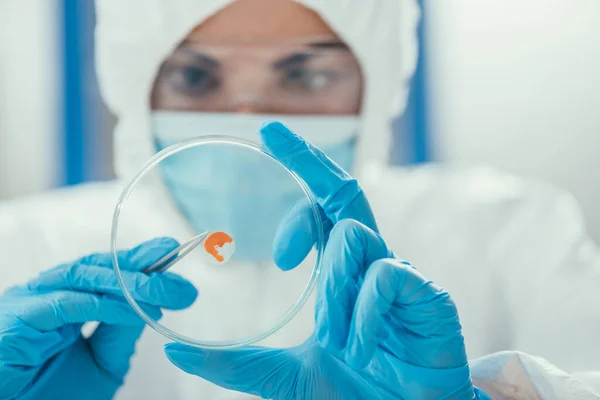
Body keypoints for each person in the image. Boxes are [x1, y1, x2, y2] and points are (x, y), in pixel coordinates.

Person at [0, 0, 599, 398]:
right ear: (133, 87)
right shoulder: (21, 247)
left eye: (305, 76)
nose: (248, 119)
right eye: (195, 77)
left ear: (378, 84)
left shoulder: (508, 229)